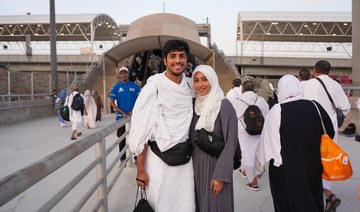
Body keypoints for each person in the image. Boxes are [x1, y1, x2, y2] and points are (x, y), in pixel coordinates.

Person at [129, 39, 195, 211]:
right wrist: (140, 170)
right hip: (158, 160)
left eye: (181, 56)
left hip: (185, 162)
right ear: (165, 61)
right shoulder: (153, 87)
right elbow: (142, 131)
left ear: (187, 60)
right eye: (172, 56)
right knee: (160, 203)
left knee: (186, 205)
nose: (177, 60)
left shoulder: (190, 86)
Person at [257, 74, 335, 212]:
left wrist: (258, 168)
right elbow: (330, 132)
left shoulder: (277, 110)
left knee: (286, 204)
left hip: (284, 170)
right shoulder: (315, 106)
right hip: (313, 166)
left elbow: (267, 142)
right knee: (312, 201)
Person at [301, 60, 351, 211]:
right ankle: (329, 195)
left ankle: (318, 196)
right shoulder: (335, 85)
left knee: (308, 162)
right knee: (325, 164)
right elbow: (346, 107)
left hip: (308, 129)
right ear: (329, 71)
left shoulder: (305, 85)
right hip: (328, 132)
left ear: (314, 70)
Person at [189, 65, 238, 212]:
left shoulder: (223, 105)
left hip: (215, 168)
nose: (200, 85)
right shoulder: (193, 105)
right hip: (195, 168)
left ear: (212, 80)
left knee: (216, 206)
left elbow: (231, 142)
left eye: (204, 80)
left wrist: (220, 175)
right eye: (196, 80)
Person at [232, 80, 269, 191]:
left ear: (242, 89)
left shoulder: (237, 101)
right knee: (257, 152)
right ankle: (247, 171)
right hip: (259, 129)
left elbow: (233, 117)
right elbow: (267, 114)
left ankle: (254, 183)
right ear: (253, 89)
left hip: (243, 131)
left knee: (246, 153)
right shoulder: (261, 100)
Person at [109, 66, 141, 161]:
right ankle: (123, 159)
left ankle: (136, 158)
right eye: (121, 73)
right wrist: (121, 112)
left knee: (136, 138)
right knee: (122, 139)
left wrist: (134, 111)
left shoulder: (135, 86)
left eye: (125, 72)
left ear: (128, 74)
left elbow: (141, 100)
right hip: (121, 118)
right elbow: (111, 102)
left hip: (134, 117)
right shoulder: (116, 87)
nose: (123, 74)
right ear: (119, 75)